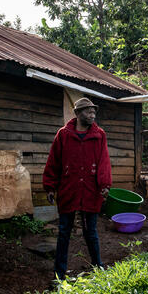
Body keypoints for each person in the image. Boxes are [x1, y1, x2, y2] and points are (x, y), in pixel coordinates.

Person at [43, 97, 112, 280]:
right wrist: (50, 186)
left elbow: (104, 161)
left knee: (91, 231)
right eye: (88, 112)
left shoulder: (99, 135)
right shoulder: (63, 135)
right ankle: (59, 273)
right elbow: (54, 162)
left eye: (94, 112)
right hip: (69, 189)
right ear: (78, 114)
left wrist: (105, 184)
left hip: (91, 189)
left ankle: (98, 266)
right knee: (64, 230)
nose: (92, 115)